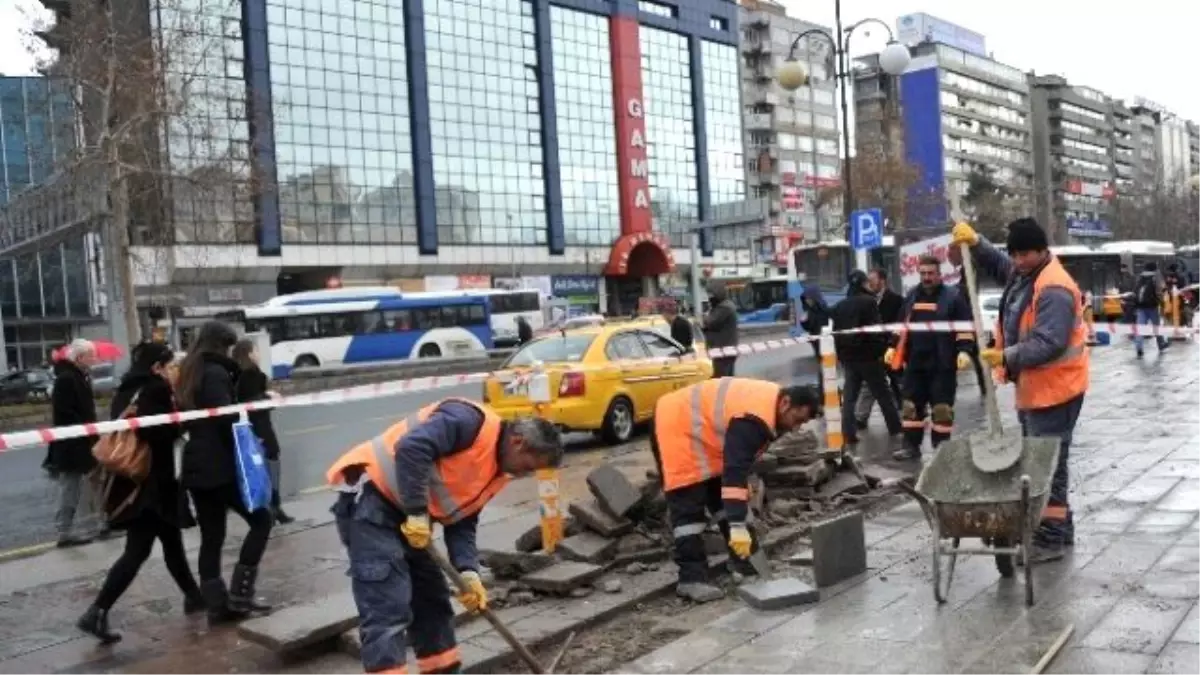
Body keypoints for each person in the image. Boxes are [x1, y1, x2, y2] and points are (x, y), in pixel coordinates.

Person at [326, 400, 564, 675]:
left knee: (432, 601)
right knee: (388, 606)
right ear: (519, 442)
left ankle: (444, 671)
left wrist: (468, 571)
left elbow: (462, 519)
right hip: (371, 502)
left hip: (412, 519)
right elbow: (412, 447)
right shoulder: (467, 421)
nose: (527, 473)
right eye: (530, 466)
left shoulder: (497, 472)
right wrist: (416, 513)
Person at [952, 218, 1088, 563]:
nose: (1018, 260)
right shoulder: (1026, 273)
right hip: (1037, 388)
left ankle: (1050, 539)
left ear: (1043, 251)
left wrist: (1006, 356)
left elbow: (1050, 342)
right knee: (1046, 462)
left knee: (1047, 467)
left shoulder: (1054, 287)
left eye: (1026, 253)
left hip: (1056, 389)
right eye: (1015, 254)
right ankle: (1062, 530)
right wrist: (977, 242)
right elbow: (1000, 265)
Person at [76, 342, 204, 645]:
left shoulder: (127, 388)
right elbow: (152, 432)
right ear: (157, 367)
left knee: (171, 543)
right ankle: (97, 611)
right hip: (151, 484)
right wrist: (180, 423)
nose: (174, 370)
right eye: (170, 364)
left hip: (135, 481)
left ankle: (194, 597)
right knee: (138, 550)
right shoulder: (155, 389)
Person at [650, 380, 820, 602]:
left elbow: (735, 470)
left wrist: (738, 507)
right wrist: (738, 524)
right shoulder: (754, 420)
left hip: (703, 433)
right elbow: (735, 471)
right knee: (688, 507)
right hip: (677, 426)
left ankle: (746, 563)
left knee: (724, 496)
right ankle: (691, 580)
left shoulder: (769, 407)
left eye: (803, 423)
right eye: (797, 420)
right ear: (786, 403)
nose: (796, 428)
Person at [176, 321, 273, 624]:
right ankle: (241, 594)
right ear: (222, 345)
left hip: (195, 463)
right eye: (229, 347)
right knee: (261, 520)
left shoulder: (189, 371)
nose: (231, 351)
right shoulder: (216, 372)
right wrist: (255, 406)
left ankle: (216, 604)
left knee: (212, 535)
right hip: (217, 464)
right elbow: (224, 417)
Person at [885, 254, 976, 461]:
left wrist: (964, 350)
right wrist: (892, 346)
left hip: (942, 364)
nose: (926, 277)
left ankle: (941, 449)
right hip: (915, 363)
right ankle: (910, 446)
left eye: (930, 273)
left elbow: (964, 327)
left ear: (939, 274)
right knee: (910, 407)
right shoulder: (911, 297)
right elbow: (901, 325)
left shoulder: (953, 297)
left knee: (942, 410)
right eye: (923, 273)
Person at [831, 270, 904, 453]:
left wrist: (842, 356)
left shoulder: (840, 306)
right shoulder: (868, 302)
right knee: (883, 394)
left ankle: (848, 432)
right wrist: (881, 350)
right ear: (863, 284)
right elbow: (876, 329)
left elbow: (837, 335)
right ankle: (895, 429)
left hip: (849, 359)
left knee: (849, 398)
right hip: (869, 358)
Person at [44, 338, 103, 547]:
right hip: (72, 443)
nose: (95, 359)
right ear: (79, 358)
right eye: (91, 356)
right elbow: (65, 413)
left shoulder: (78, 377)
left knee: (91, 482)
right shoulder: (68, 379)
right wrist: (86, 431)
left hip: (82, 440)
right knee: (70, 486)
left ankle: (99, 523)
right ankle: (65, 531)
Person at [232, 339, 292, 525]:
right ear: (250, 354)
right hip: (260, 427)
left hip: (249, 427)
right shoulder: (252, 374)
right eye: (256, 350)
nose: (258, 354)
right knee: (271, 460)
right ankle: (273, 507)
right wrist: (269, 397)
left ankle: (270, 507)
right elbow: (252, 401)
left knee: (260, 467)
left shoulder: (237, 374)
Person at [854, 268, 904, 428]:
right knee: (872, 384)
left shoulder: (896, 300)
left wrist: (893, 344)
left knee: (898, 382)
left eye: (873, 280)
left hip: (892, 348)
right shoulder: (868, 300)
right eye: (868, 280)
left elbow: (900, 324)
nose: (869, 283)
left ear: (882, 281)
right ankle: (861, 418)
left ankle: (906, 413)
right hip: (875, 349)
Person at [702, 284, 739, 377]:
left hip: (723, 350)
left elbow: (710, 322)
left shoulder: (724, 307)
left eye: (710, 295)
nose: (709, 298)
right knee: (727, 378)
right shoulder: (725, 305)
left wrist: (704, 317)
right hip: (726, 349)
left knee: (721, 379)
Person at [1133, 261, 1168, 357]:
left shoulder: (1140, 277)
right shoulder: (1156, 276)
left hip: (1140, 307)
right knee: (1156, 326)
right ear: (1154, 268)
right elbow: (1160, 291)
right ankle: (1161, 344)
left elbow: (1135, 290)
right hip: (1152, 307)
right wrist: (1162, 302)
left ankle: (1139, 348)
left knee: (1140, 328)